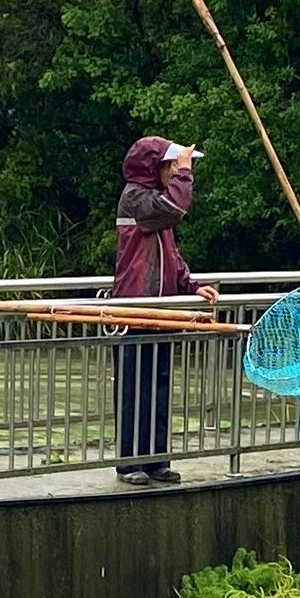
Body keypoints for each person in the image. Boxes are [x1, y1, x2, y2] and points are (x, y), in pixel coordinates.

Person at [109, 136, 221, 486]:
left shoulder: (154, 203)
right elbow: (174, 208)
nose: (176, 171)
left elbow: (170, 254)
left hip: (162, 311)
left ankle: (157, 460)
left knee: (157, 387)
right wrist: (185, 175)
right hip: (134, 309)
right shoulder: (136, 197)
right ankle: (130, 464)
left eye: (178, 166)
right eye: (171, 165)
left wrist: (189, 285)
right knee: (133, 389)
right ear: (154, 166)